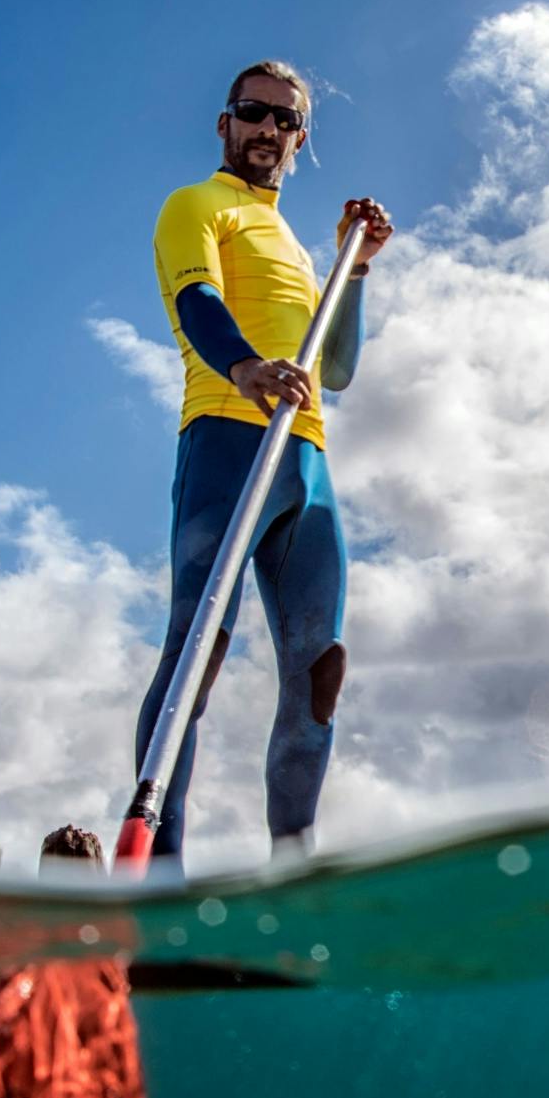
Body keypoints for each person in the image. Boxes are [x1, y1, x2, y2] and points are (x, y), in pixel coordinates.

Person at [134, 59, 393, 859]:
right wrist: (245, 369)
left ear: (299, 140)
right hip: (226, 439)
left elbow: (336, 368)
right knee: (196, 653)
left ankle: (292, 870)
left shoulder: (290, 241)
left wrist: (354, 270)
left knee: (318, 677)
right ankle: (158, 873)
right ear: (225, 122)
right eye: (255, 112)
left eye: (285, 121)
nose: (268, 130)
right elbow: (195, 301)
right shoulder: (196, 206)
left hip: (305, 462)